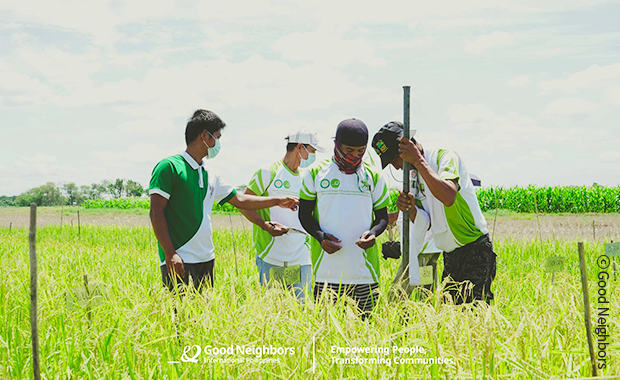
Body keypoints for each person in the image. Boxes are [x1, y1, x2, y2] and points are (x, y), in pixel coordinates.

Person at [149, 109, 298, 292]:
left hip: (206, 257)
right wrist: (170, 253)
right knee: (179, 316)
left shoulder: (211, 174)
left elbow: (240, 199)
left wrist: (277, 201)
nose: (218, 143)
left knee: (203, 315)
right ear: (205, 135)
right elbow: (156, 212)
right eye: (217, 137)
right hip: (180, 257)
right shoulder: (169, 167)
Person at [371, 121, 496, 304]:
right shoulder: (414, 175)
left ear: (406, 147)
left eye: (394, 160)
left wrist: (418, 161)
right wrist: (411, 209)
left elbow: (448, 196)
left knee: (473, 315)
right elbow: (428, 222)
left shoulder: (444, 157)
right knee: (452, 319)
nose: (396, 167)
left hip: (473, 249)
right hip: (450, 254)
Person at [298, 118, 390, 317]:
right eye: (349, 150)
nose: (355, 156)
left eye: (360, 151)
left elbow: (382, 217)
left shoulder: (373, 176)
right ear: (336, 145)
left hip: (365, 272)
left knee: (367, 332)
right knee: (327, 333)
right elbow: (304, 213)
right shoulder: (315, 173)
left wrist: (373, 233)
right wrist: (320, 237)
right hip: (326, 272)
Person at [239, 129, 325, 302]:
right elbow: (244, 204)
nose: (313, 157)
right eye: (312, 152)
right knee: (273, 311)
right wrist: (264, 225)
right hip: (271, 256)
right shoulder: (268, 172)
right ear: (300, 147)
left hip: (301, 257)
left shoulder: (307, 178)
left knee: (302, 311)